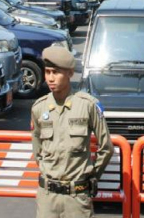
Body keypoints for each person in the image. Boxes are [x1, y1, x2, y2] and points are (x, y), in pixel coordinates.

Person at [31, 46, 113, 218]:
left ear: (69, 73)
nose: (50, 78)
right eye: (47, 72)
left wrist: (90, 176)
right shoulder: (39, 108)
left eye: (56, 72)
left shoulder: (88, 105)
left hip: (77, 197)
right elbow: (38, 150)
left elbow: (106, 148)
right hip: (48, 197)